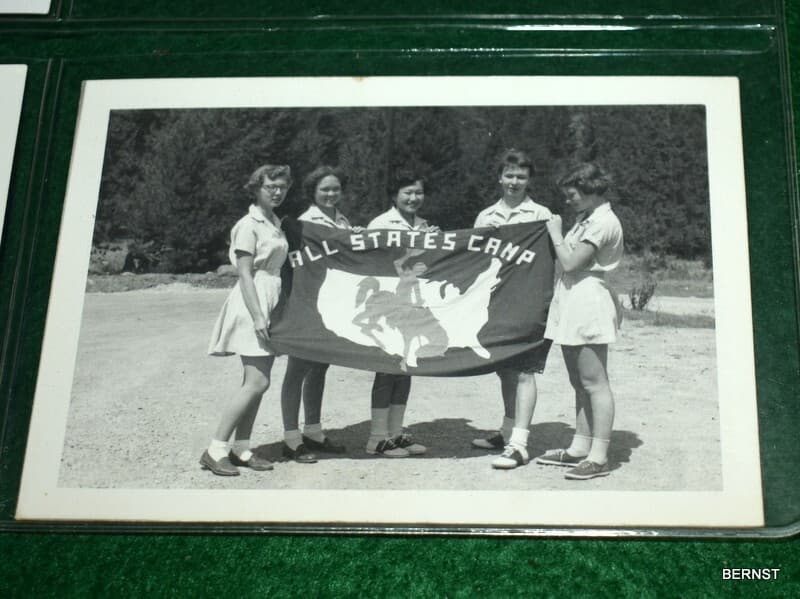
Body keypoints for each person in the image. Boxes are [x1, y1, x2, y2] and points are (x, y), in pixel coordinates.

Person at [201, 164, 295, 476]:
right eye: (271, 186)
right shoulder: (248, 225)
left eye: (282, 187)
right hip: (252, 301)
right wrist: (258, 317)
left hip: (271, 298)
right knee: (258, 382)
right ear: (256, 188)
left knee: (257, 382)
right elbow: (244, 273)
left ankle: (241, 448)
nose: (277, 192)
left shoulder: (275, 222)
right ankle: (215, 449)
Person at [535, 162, 623, 480]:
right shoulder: (586, 219)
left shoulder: (604, 222)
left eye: (572, 194)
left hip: (588, 300)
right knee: (579, 381)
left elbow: (571, 263)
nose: (568, 200)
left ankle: (598, 457)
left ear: (590, 190)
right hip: (573, 298)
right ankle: (579, 447)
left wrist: (555, 233)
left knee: (595, 382)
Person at [471, 148, 553, 469]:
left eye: (521, 177)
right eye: (509, 175)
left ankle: (519, 445)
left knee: (524, 371)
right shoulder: (486, 216)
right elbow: (474, 259)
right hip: (498, 300)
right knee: (505, 368)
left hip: (529, 301)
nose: (514, 182)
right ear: (499, 178)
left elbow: (553, 259)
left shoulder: (542, 215)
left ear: (529, 180)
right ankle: (507, 431)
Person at [280, 166, 361, 458]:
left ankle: (313, 430)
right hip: (308, 302)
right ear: (312, 192)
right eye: (324, 189)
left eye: (335, 189)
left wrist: (358, 237)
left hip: (333, 302)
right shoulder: (304, 223)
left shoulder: (342, 220)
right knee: (298, 367)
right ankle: (291, 437)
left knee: (320, 366)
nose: (331, 194)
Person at [363, 170, 440, 458]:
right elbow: (371, 263)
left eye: (418, 192)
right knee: (386, 369)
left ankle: (395, 433)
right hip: (387, 305)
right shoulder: (381, 224)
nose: (413, 198)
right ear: (394, 196)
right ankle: (376, 438)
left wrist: (435, 243)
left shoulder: (423, 225)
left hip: (413, 304)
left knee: (406, 367)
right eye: (407, 192)